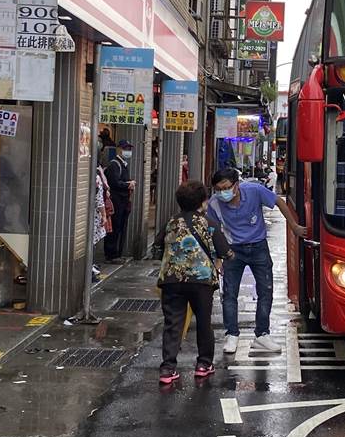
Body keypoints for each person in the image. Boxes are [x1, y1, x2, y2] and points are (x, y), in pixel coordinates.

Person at [209, 168, 306, 354]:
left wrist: (293, 226)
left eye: (227, 188)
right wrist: (218, 257)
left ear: (236, 185)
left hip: (258, 247)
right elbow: (214, 231)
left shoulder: (254, 190)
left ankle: (262, 334)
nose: (223, 193)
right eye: (218, 189)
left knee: (265, 291)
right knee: (229, 294)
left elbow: (279, 201)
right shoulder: (215, 203)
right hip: (232, 251)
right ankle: (232, 334)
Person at [153, 181, 232, 384]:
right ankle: (204, 364)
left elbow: (156, 247)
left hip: (171, 279)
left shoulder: (171, 222)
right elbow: (226, 252)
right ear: (203, 202)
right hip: (201, 280)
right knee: (204, 322)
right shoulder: (209, 224)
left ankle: (167, 369)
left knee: (173, 323)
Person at [104, 140, 135, 262]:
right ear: (118, 149)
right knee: (115, 227)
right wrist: (128, 184)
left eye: (129, 148)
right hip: (116, 201)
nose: (128, 151)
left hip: (122, 202)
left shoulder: (123, 164)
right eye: (125, 148)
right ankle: (111, 254)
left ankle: (117, 254)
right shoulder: (114, 165)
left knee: (120, 226)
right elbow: (114, 182)